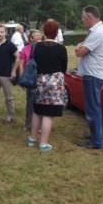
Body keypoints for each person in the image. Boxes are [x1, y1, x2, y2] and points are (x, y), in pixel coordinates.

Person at [25, 20, 67, 151]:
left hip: (40, 81)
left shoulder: (37, 47)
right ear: (56, 33)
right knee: (48, 114)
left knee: (37, 110)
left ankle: (32, 138)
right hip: (54, 82)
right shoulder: (61, 48)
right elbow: (64, 67)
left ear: (44, 32)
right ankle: (43, 143)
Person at [74, 5, 103, 149]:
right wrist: (80, 47)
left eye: (83, 18)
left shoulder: (97, 33)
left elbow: (80, 52)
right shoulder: (97, 31)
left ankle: (96, 141)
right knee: (93, 107)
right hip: (94, 74)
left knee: (92, 109)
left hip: (93, 75)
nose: (82, 20)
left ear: (89, 17)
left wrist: (78, 48)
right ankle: (95, 135)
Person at [15, 29, 43, 130]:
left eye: (40, 35)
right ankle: (28, 124)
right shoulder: (26, 49)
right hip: (31, 79)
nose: (39, 37)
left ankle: (39, 126)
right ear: (31, 38)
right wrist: (22, 78)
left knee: (40, 103)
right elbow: (22, 64)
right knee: (30, 102)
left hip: (41, 79)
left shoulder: (44, 48)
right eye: (36, 35)